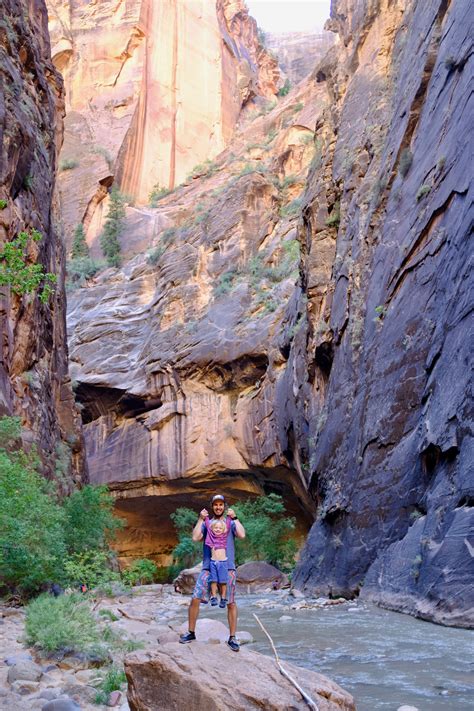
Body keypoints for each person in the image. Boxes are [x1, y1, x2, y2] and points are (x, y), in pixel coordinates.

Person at [179, 494, 245, 651]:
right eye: (215, 505)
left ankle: (232, 637)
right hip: (208, 567)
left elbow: (242, 535)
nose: (218, 507)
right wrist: (201, 519)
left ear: (224, 506)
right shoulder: (207, 524)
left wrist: (235, 517)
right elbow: (195, 537)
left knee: (231, 602)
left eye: (221, 504)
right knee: (195, 598)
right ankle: (191, 632)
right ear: (212, 507)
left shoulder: (230, 523)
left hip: (228, 567)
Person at [204, 510, 232, 607]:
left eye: (220, 528)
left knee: (223, 581)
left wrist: (229, 516)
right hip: (213, 562)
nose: (218, 529)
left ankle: (223, 598)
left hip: (223, 562)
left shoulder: (224, 537)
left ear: (223, 529)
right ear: (212, 529)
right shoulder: (211, 537)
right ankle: (214, 597)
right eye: (216, 528)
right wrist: (206, 517)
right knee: (214, 580)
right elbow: (208, 526)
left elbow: (227, 526)